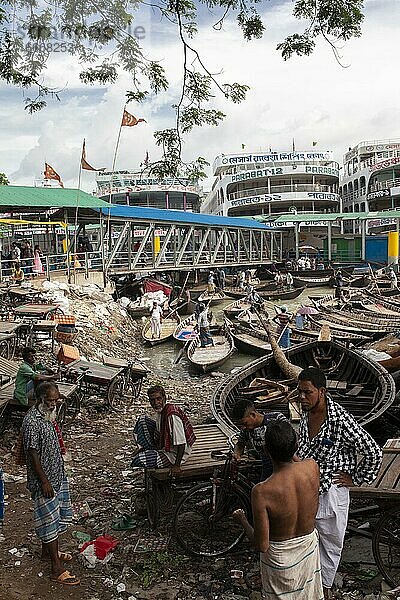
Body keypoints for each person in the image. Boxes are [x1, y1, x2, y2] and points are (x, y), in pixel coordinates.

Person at [296, 367, 382, 598]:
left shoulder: (340, 420)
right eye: (299, 392)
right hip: (307, 486)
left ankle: (324, 588)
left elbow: (373, 451)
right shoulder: (307, 412)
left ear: (321, 391)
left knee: (331, 543)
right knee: (309, 540)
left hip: (331, 491)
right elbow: (304, 446)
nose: (302, 397)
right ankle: (311, 583)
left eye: (307, 392)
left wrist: (355, 478)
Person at [233, 420, 323, 600]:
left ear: (266, 450)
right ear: (296, 445)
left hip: (279, 560)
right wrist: (290, 451)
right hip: (308, 551)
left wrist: (242, 520)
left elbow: (262, 545)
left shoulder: (261, 491)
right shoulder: (312, 467)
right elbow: (296, 463)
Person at [22, 382, 80, 586]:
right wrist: (44, 481)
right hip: (45, 480)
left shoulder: (47, 414)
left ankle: (47, 553)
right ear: (40, 400)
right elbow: (32, 453)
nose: (54, 404)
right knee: (49, 521)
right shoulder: (32, 421)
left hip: (57, 474)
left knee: (55, 516)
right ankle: (56, 568)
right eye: (51, 400)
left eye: (56, 400)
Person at [132, 385, 196, 474]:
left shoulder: (172, 416)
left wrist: (177, 466)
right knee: (142, 420)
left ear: (164, 398)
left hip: (174, 455)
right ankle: (148, 449)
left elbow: (181, 443)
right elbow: (158, 432)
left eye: (159, 399)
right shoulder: (160, 412)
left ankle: (155, 454)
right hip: (163, 446)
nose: (156, 402)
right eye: (152, 400)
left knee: (139, 459)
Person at [230, 398, 287, 482]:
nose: (243, 427)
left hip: (283, 462)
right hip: (265, 462)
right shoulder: (246, 430)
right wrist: (236, 454)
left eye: (244, 423)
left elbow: (290, 441)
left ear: (253, 414)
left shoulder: (277, 419)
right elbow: (240, 444)